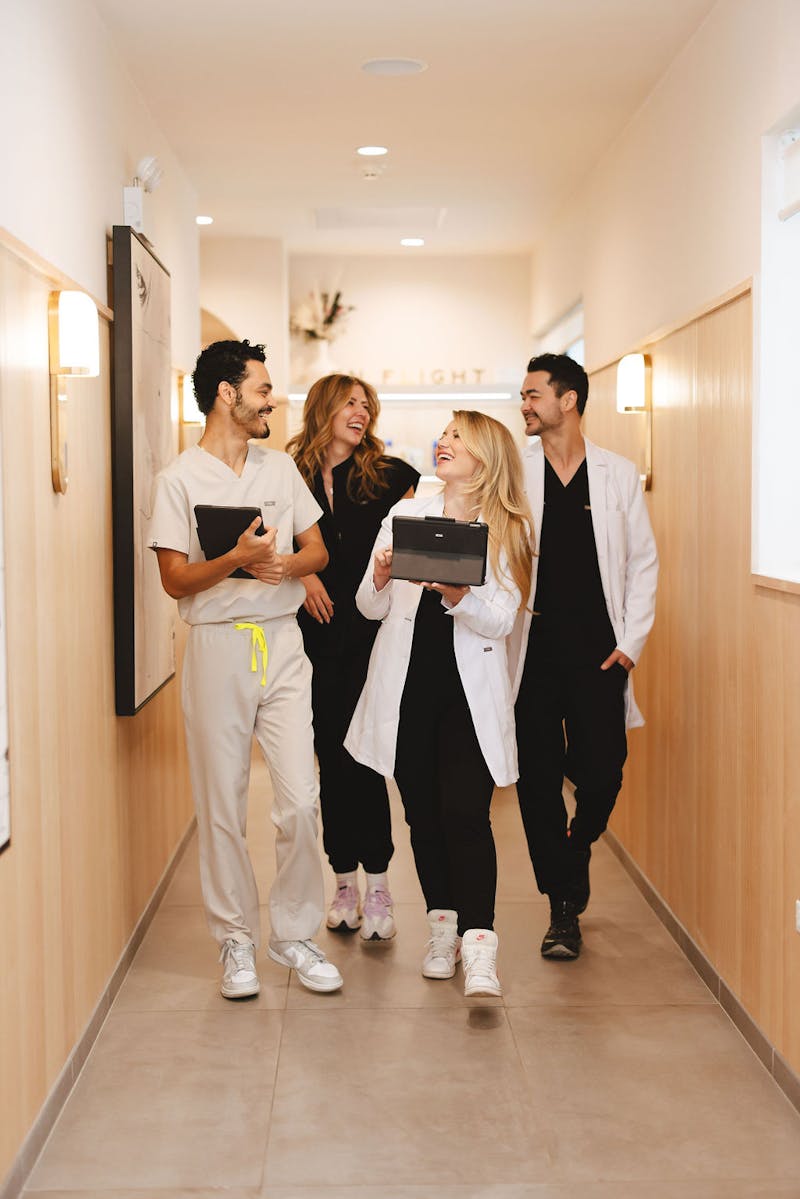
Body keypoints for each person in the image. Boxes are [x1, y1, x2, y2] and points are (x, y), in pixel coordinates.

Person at [148, 339, 343, 999]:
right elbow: (175, 580)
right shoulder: (179, 479)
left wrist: (284, 565)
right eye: (262, 387)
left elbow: (316, 549)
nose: (272, 398)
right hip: (216, 646)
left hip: (281, 643)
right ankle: (235, 940)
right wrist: (234, 557)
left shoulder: (281, 469)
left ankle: (293, 933)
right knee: (222, 802)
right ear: (227, 394)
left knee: (300, 801)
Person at [346, 410, 532, 997]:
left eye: (456, 437)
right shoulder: (404, 514)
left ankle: (480, 947)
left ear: (485, 455)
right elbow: (368, 609)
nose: (442, 443)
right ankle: (442, 929)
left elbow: (502, 619)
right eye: (444, 435)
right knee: (422, 817)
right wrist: (378, 576)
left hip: (467, 699)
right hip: (408, 691)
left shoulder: (507, 529)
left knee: (465, 817)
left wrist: (459, 595)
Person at [511, 352, 658, 960]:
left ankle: (576, 848)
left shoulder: (617, 474)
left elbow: (643, 562)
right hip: (533, 650)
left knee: (602, 770)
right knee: (538, 779)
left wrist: (629, 648)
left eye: (533, 395)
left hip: (600, 651)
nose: (524, 405)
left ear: (567, 400)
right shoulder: (516, 474)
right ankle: (562, 906)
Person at [286, 374, 419, 940]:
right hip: (311, 638)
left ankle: (381, 886)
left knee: (366, 760)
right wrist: (304, 578)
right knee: (330, 762)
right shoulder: (284, 474)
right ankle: (344, 882)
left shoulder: (389, 476)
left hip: (372, 635)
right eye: (349, 402)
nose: (361, 412)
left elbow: (411, 549)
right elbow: (267, 546)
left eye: (367, 405)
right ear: (324, 409)